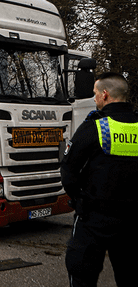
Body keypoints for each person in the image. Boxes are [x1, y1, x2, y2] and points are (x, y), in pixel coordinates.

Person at [60, 72, 138, 287]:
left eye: (95, 94)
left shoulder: (95, 127)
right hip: (132, 220)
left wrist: (79, 200)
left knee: (82, 273)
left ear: (105, 95)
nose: (94, 99)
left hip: (94, 217)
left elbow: (68, 170)